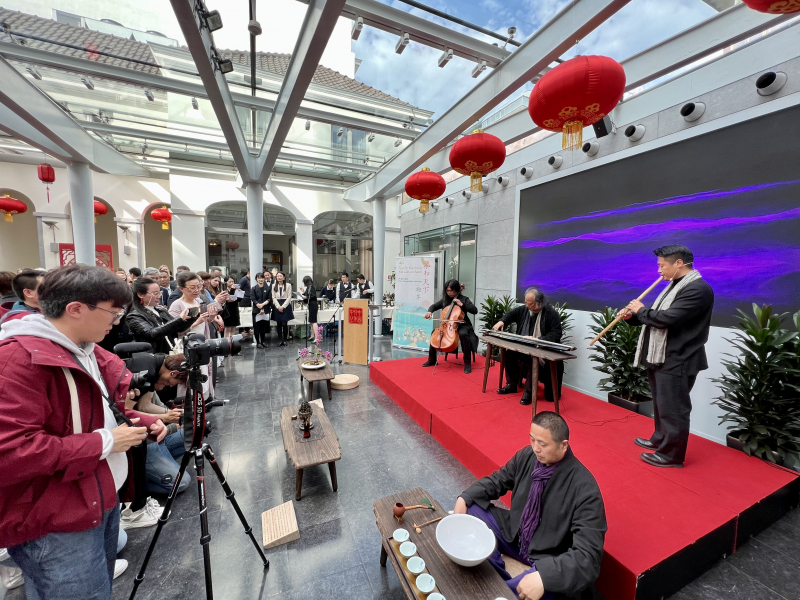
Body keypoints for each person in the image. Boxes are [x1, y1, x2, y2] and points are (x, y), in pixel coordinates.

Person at [0, 264, 167, 600]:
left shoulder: (84, 348)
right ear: (75, 309)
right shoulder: (18, 360)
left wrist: (135, 419)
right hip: (56, 515)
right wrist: (107, 441)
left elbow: (91, 412)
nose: (116, 321)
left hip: (96, 495)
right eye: (112, 312)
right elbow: (11, 452)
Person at [455, 412, 606, 600]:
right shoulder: (527, 456)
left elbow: (589, 556)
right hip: (516, 535)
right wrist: (465, 497)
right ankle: (499, 579)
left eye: (543, 444)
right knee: (471, 510)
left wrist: (545, 577)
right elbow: (498, 480)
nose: (535, 448)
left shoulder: (584, 487)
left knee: (544, 585)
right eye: (532, 439)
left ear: (563, 445)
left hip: (547, 554)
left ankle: (502, 590)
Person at [623, 245, 714, 468]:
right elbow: (655, 316)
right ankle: (660, 439)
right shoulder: (674, 286)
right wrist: (631, 317)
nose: (659, 270)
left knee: (674, 409)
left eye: (662, 265)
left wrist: (640, 310)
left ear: (679, 263)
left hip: (679, 358)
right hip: (662, 357)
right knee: (661, 405)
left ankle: (671, 455)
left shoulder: (698, 289)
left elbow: (667, 319)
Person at [494, 288, 563, 406]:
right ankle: (511, 384)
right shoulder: (524, 310)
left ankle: (528, 392)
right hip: (524, 347)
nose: (527, 306)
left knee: (533, 358)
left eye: (530, 304)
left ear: (539, 303)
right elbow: (511, 314)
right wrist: (502, 321)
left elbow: (556, 333)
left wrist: (538, 339)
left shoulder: (550, 314)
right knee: (509, 353)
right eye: (526, 302)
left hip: (541, 350)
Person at [169, 271, 216, 399]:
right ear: (182, 288)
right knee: (190, 380)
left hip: (202, 344)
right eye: (192, 287)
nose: (196, 290)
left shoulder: (199, 301)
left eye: (198, 287)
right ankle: (191, 405)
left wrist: (211, 318)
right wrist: (196, 322)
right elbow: (174, 330)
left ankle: (204, 402)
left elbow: (204, 324)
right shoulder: (177, 305)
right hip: (187, 348)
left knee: (204, 375)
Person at [422, 279, 478, 374]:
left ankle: (467, 363)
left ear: (457, 289)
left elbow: (474, 310)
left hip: (462, 324)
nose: (450, 293)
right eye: (448, 291)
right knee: (434, 333)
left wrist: (462, 304)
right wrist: (429, 311)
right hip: (448, 325)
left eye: (452, 290)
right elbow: (434, 306)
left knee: (463, 334)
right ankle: (432, 360)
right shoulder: (445, 300)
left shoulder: (464, 299)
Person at [126, 277, 195, 354]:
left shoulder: (160, 310)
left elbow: (178, 329)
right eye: (155, 293)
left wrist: (192, 317)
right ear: (140, 295)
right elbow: (151, 334)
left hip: (169, 353)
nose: (159, 296)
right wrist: (179, 319)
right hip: (152, 356)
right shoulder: (134, 316)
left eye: (160, 292)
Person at [272, 271, 293, 347]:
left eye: (280, 276)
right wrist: (278, 306)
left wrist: (283, 306)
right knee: (278, 324)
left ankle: (285, 340)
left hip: (285, 305)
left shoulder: (288, 285)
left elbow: (289, 297)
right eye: (278, 276)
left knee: (284, 323)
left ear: (284, 277)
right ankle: (280, 340)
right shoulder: (273, 285)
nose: (279, 277)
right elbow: (273, 297)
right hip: (277, 305)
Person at [251, 273, 272, 349]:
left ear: (264, 279)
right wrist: (258, 305)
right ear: (256, 279)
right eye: (259, 278)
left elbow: (269, 298)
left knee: (264, 327)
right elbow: (253, 298)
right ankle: (258, 343)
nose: (261, 279)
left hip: (265, 309)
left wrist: (263, 305)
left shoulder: (268, 288)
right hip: (256, 310)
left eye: (262, 278)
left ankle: (262, 342)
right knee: (256, 327)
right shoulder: (254, 288)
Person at [300, 276, 318, 340]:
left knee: (314, 321)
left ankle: (317, 337)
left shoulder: (311, 287)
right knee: (311, 321)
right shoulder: (309, 287)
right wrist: (303, 292)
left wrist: (306, 297)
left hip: (313, 305)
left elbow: (313, 296)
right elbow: (307, 295)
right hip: (311, 305)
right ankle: (312, 335)